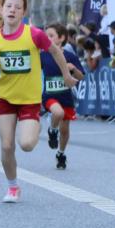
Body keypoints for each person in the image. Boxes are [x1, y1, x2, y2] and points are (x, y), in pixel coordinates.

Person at [0, 0, 77, 203]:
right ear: (1, 9)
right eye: (9, 6)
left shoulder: (34, 34)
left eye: (18, 7)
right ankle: (13, 186)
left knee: (26, 144)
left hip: (29, 99)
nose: (12, 10)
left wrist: (66, 75)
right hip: (5, 98)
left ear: (23, 12)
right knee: (7, 146)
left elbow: (55, 51)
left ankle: (39, 124)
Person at [42, 23, 86, 170]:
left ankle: (61, 153)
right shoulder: (43, 55)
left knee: (65, 130)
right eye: (45, 36)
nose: (47, 39)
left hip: (66, 97)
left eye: (51, 36)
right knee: (57, 113)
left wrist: (72, 69)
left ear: (61, 38)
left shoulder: (70, 56)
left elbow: (81, 77)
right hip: (49, 95)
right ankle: (52, 130)